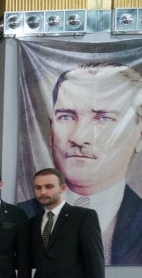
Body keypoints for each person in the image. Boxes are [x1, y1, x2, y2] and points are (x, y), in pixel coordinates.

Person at [20, 62, 142, 265]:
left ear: (140, 136)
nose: (79, 137)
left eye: (104, 119)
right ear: (51, 129)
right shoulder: (21, 217)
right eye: (66, 117)